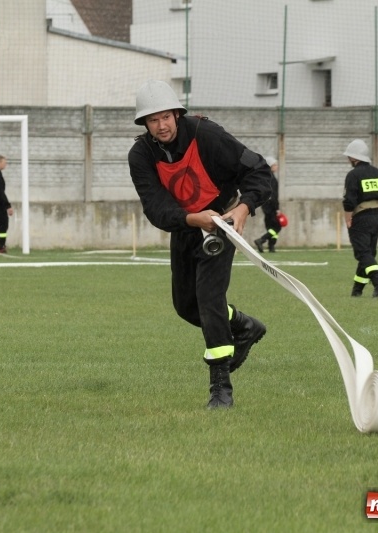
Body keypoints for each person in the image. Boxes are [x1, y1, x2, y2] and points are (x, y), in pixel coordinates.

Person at [127, 80, 275, 409]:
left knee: (209, 299)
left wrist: (242, 207)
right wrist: (194, 219)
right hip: (186, 227)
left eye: (166, 117)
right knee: (186, 306)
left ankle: (220, 389)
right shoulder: (140, 155)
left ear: (177, 115)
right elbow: (155, 207)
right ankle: (245, 326)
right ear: (144, 124)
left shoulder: (206, 135)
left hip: (222, 223)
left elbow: (259, 171)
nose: (161, 125)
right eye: (153, 120)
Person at [342, 139, 378, 298]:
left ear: (353, 158)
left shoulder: (353, 174)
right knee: (368, 252)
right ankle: (357, 290)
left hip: (361, 216)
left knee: (362, 252)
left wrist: (348, 218)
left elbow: (349, 200)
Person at [254, 156, 282, 253]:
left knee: (270, 227)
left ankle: (271, 246)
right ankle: (261, 240)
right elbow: (273, 195)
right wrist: (277, 208)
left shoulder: (266, 177)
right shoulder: (271, 178)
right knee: (277, 226)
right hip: (271, 206)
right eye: (275, 165)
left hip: (266, 206)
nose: (277, 167)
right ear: (270, 166)